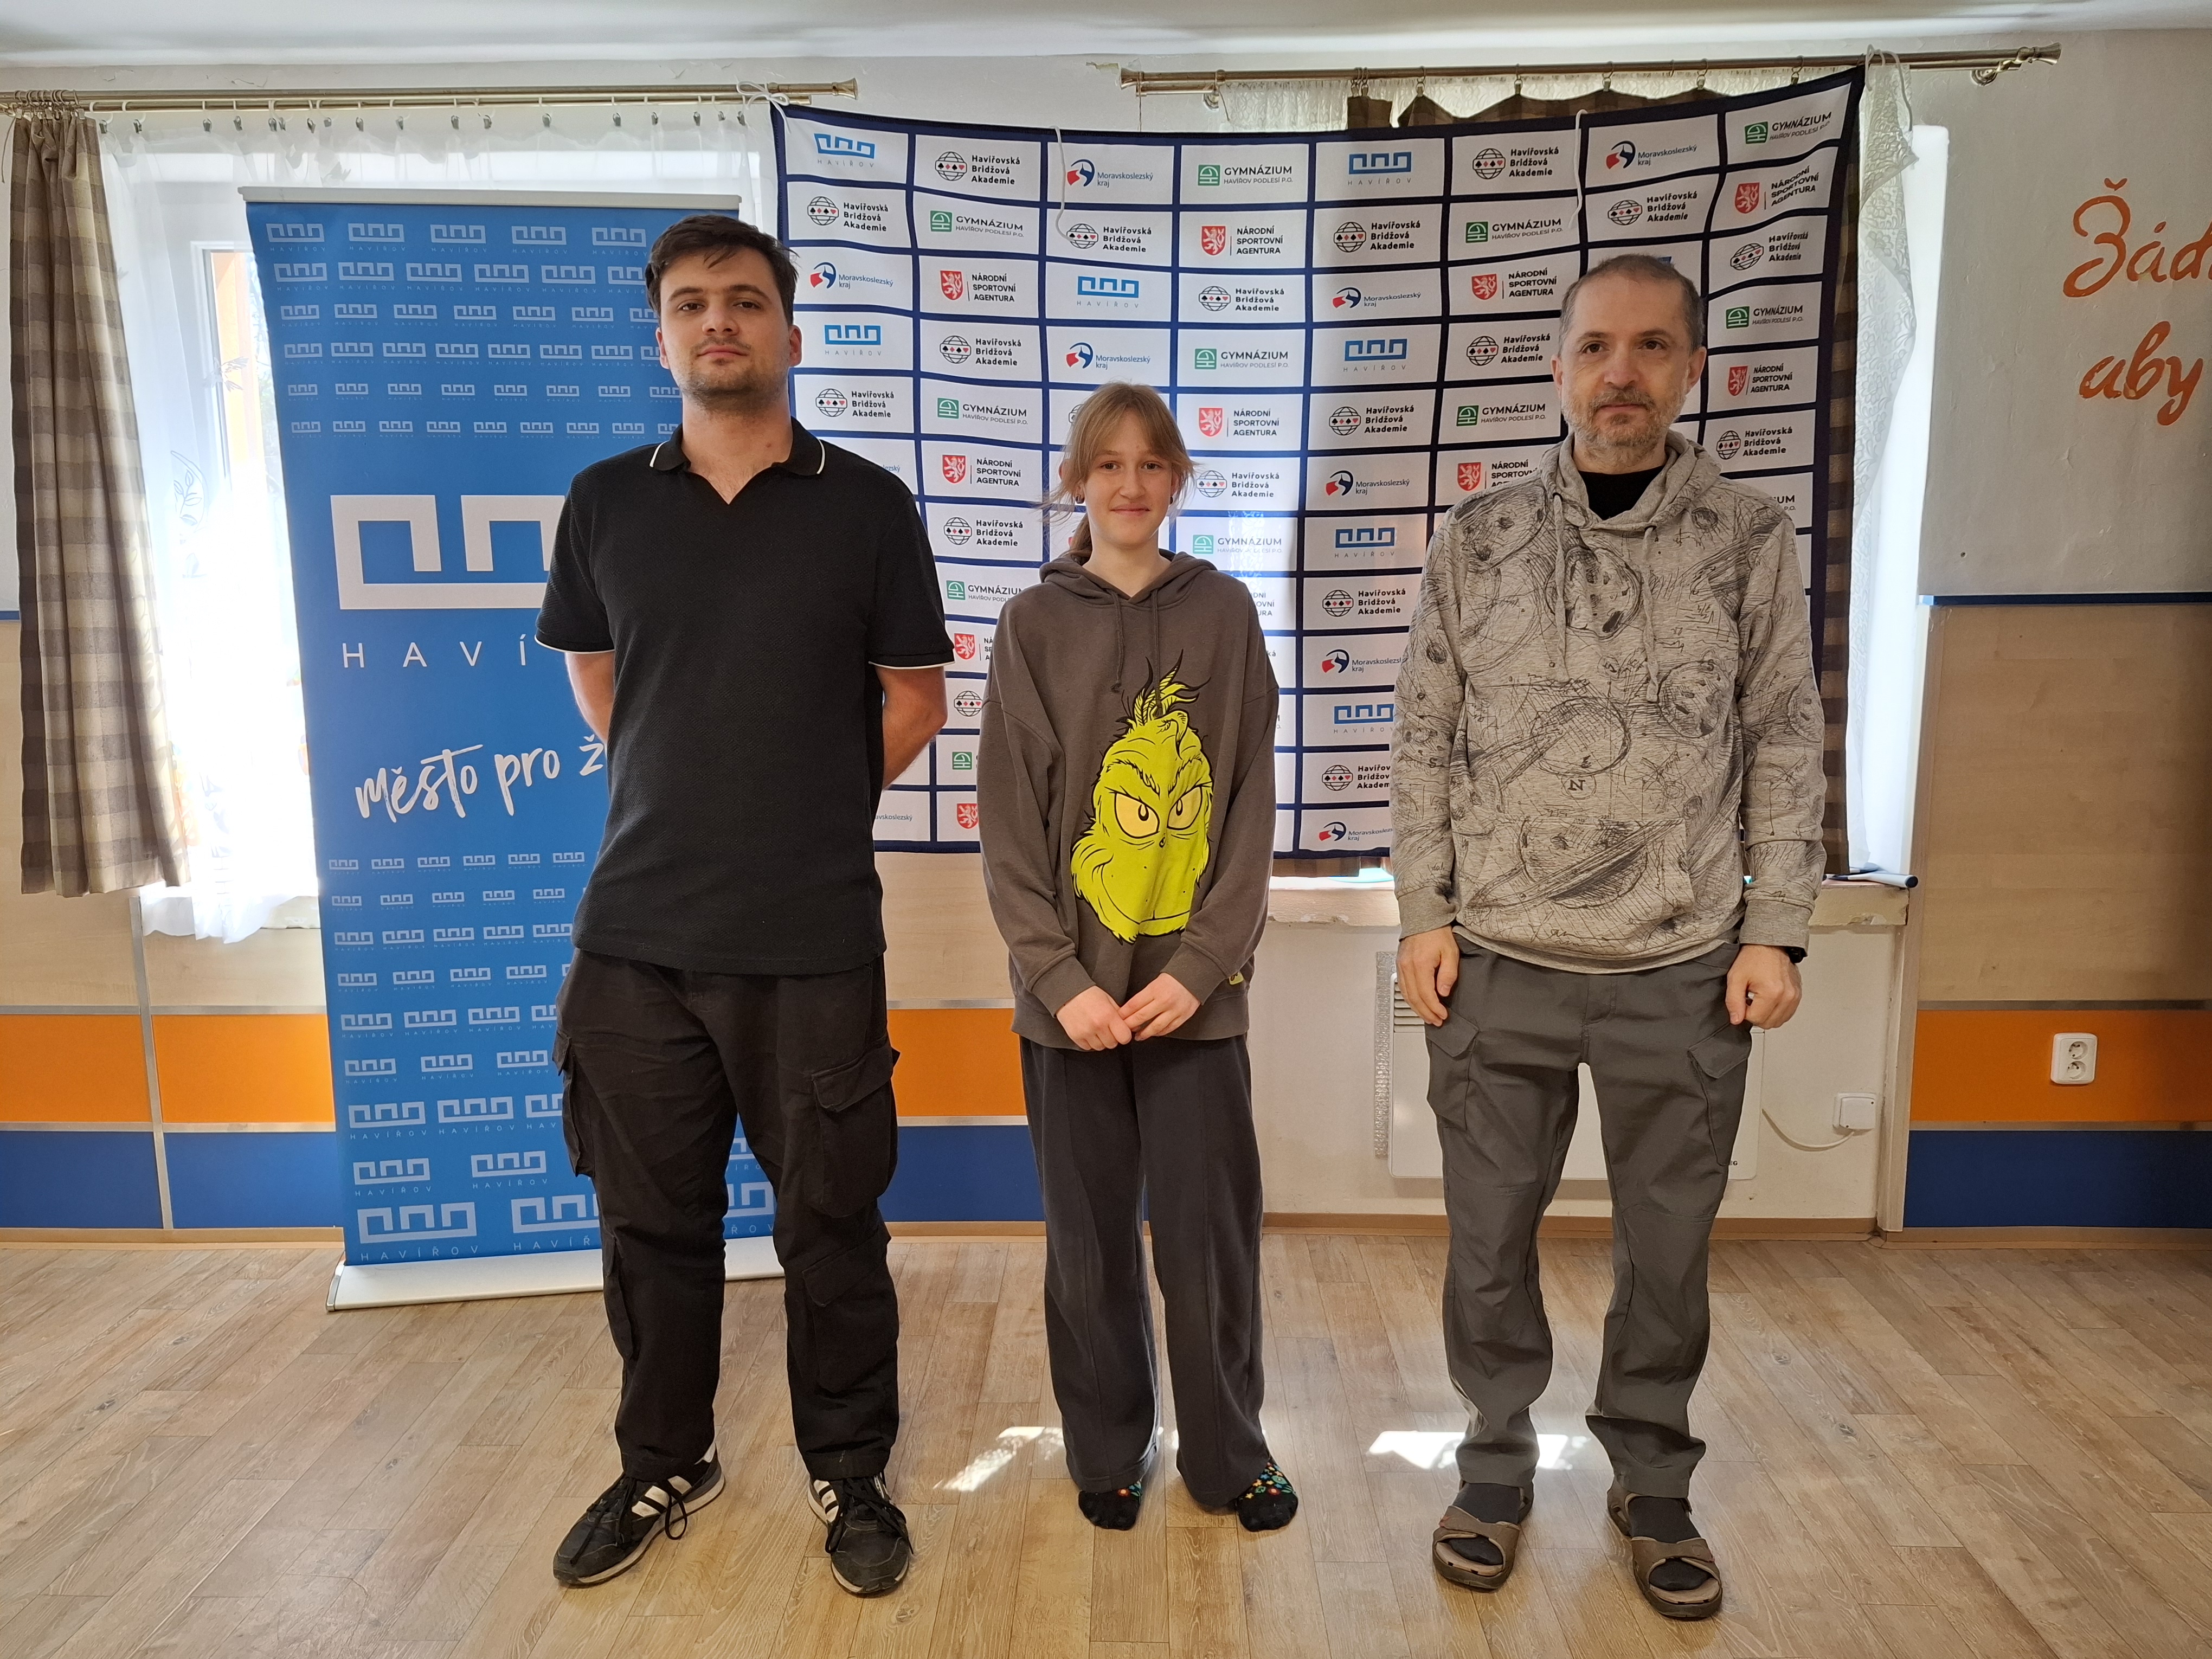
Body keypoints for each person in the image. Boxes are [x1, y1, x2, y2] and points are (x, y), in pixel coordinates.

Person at [1391, 253, 1824, 1619]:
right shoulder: (1481, 539)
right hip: (1498, 961)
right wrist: (1423, 911)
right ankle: (1494, 1467)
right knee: (1487, 1243)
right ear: (1560, 367)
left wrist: (1778, 930)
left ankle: (1652, 1481)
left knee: (1669, 1251)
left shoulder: (1749, 538)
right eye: (1594, 347)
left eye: (1648, 348)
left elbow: (1785, 734)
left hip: (1684, 967)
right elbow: (1422, 735)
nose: (1619, 373)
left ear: (1692, 369)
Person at [536, 214, 950, 1596]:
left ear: (788, 328)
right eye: (691, 303)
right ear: (661, 335)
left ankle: (852, 1471)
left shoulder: (867, 506)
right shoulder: (604, 503)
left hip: (810, 936)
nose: (719, 321)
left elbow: (914, 701)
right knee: (649, 1230)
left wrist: (802, 806)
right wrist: (692, 788)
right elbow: (601, 680)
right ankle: (667, 1459)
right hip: (635, 940)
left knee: (831, 1228)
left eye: (746, 300)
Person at [976, 382, 1297, 1534]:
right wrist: (1061, 982)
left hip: (1194, 1002)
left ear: (1177, 482)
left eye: (1151, 464)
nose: (1128, 484)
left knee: (1211, 1242)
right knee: (1088, 1240)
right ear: (1076, 480)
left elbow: (1250, 806)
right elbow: (1009, 826)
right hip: (1068, 1008)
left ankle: (1230, 1454)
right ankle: (1109, 1448)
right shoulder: (1032, 623)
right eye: (1106, 464)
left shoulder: (1226, 612)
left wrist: (1200, 968)